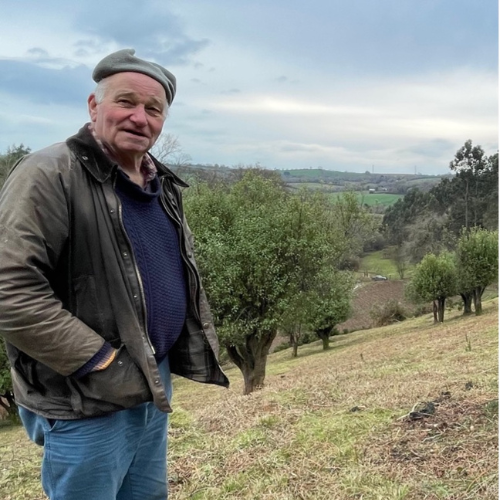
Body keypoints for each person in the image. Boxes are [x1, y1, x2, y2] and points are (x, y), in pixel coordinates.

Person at [0, 48, 229, 500]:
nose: (140, 117)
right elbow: (10, 289)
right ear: (93, 106)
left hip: (150, 379)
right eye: (126, 101)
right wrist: (100, 360)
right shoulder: (50, 174)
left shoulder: (157, 184)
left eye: (153, 109)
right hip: (86, 392)